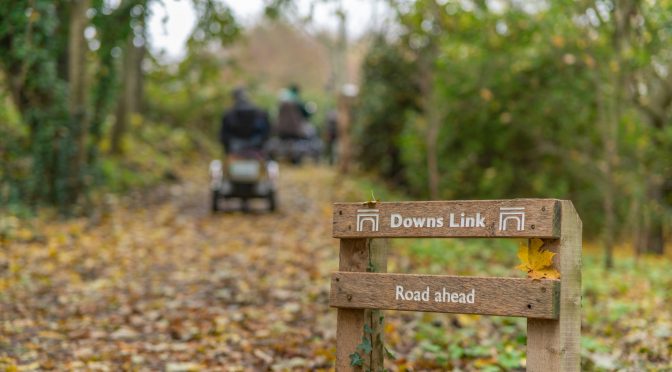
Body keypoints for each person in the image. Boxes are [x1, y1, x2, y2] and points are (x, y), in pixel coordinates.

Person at [220, 87, 271, 154]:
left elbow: (223, 135)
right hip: (256, 146)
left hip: (234, 148)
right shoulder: (260, 112)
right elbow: (267, 131)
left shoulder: (228, 113)